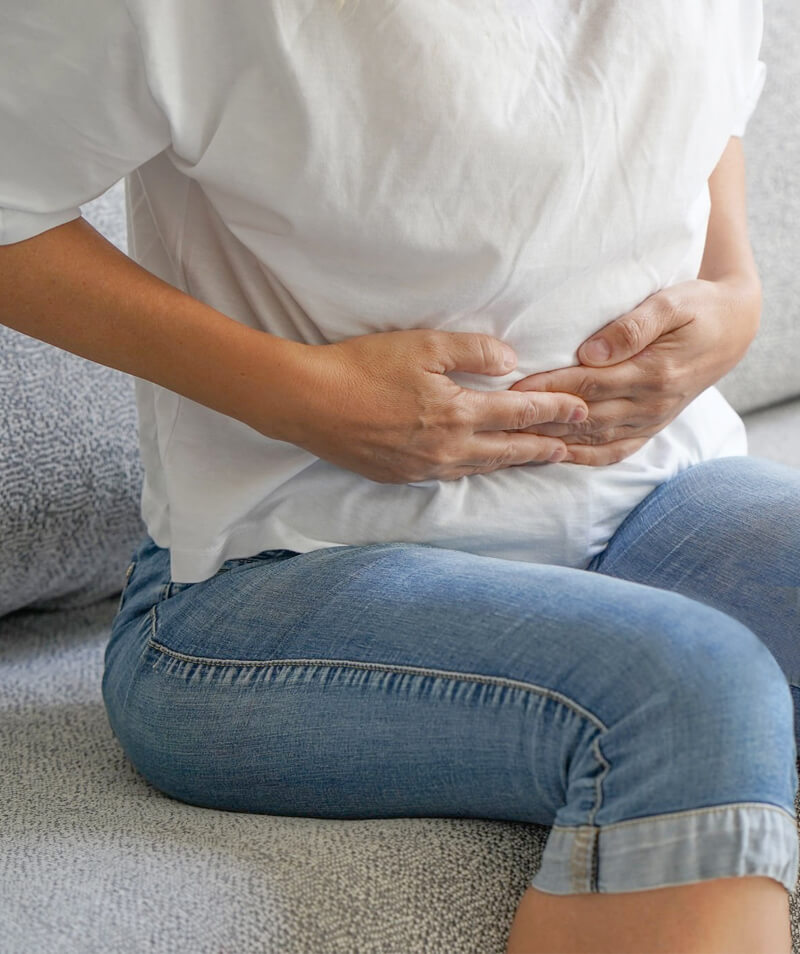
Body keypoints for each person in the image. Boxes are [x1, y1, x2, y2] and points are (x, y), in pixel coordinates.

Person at [1, 0, 798, 950]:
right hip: (276, 579)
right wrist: (298, 395)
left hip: (657, 502)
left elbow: (700, 104)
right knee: (687, 688)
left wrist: (734, 299)